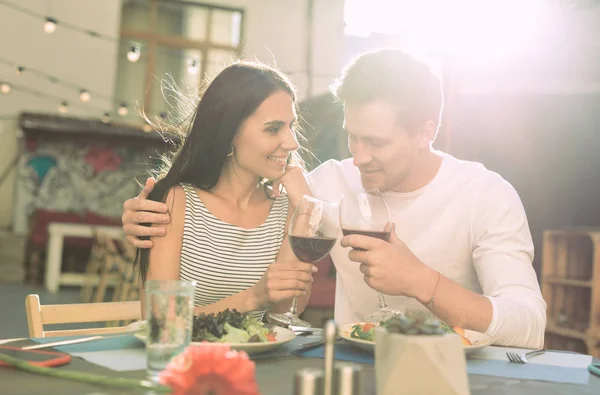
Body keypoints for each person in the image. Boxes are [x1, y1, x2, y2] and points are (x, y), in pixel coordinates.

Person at [123, 50, 546, 348]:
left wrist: (420, 280)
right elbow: (252, 193)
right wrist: (140, 215)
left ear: (424, 132)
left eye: (376, 141)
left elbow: (528, 328)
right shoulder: (323, 187)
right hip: (353, 375)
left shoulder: (486, 195)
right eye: (352, 136)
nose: (358, 157)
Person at [132, 60, 316, 320]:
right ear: (229, 132)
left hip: (258, 360)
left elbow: (284, 313)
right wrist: (253, 297)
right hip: (185, 359)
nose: (293, 142)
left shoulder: (288, 209)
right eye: (273, 129)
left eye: (291, 126)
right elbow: (161, 320)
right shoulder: (175, 202)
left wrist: (305, 210)